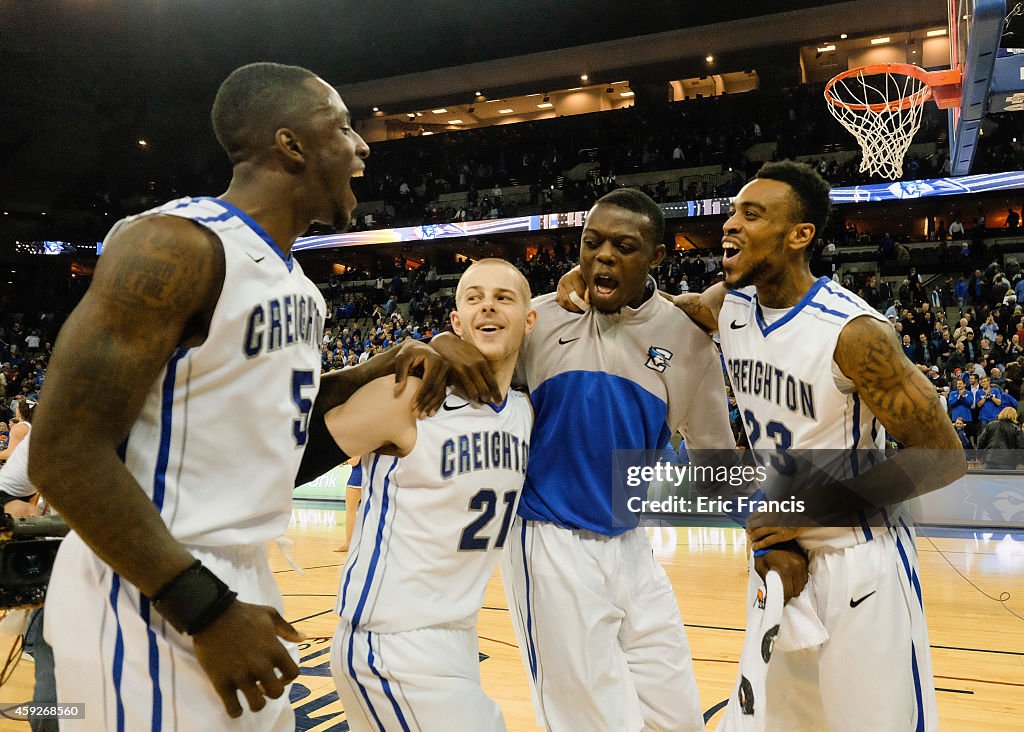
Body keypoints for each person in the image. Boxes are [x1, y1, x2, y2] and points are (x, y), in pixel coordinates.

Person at [29, 63, 474, 731]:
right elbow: (62, 453)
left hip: (238, 575)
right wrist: (204, 608)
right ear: (291, 144)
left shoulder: (300, 288)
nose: (363, 146)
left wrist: (369, 372)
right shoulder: (175, 245)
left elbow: (271, 433)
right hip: (149, 583)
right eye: (344, 127)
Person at [559, 162, 965, 731]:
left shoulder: (855, 333)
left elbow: (943, 456)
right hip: (778, 554)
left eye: (752, 215)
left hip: (857, 561)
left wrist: (805, 511)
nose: (731, 224)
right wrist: (588, 282)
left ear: (800, 235)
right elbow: (662, 310)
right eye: (732, 212)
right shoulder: (730, 308)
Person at [438, 189, 806, 732]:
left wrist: (773, 533)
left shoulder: (689, 339)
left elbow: (716, 467)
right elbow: (468, 343)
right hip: (549, 545)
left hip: (632, 548)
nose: (603, 257)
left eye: (623, 246)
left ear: (656, 256)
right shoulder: (538, 320)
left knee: (677, 717)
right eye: (592, 244)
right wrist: (442, 345)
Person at [326, 259, 536, 731]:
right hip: (391, 641)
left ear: (530, 318)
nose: (488, 304)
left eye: (504, 297)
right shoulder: (411, 397)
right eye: (473, 296)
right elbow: (291, 451)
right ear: (457, 321)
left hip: (457, 636)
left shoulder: (526, 412)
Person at [333, 454, 363, 553]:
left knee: (350, 510)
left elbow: (355, 461)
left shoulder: (360, 440)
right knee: (372, 511)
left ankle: (349, 543)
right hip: (374, 477)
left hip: (358, 477)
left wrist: (344, 462)